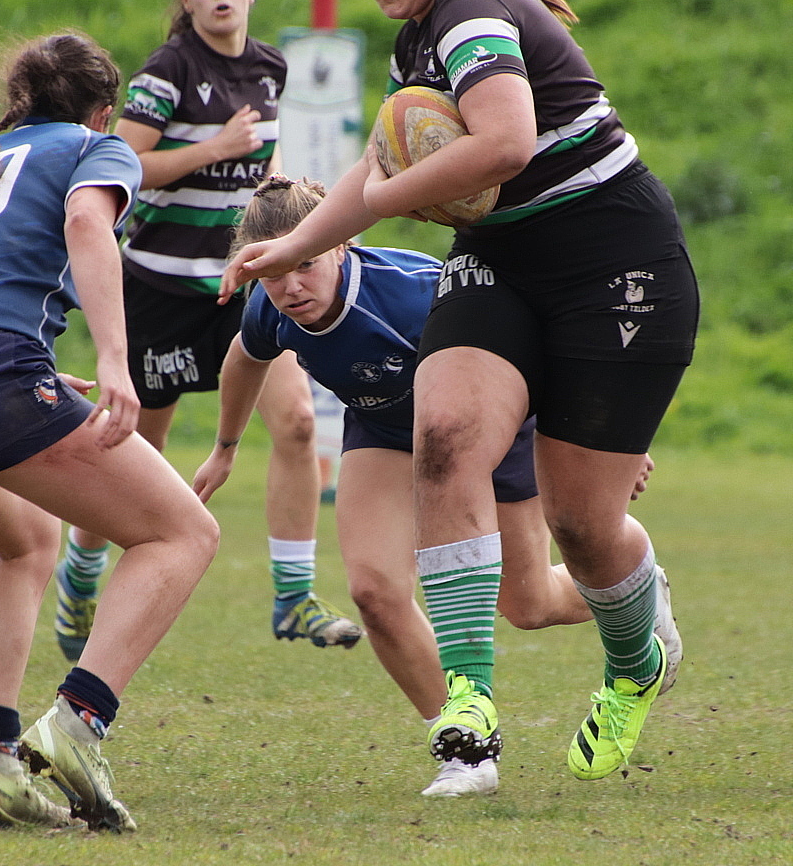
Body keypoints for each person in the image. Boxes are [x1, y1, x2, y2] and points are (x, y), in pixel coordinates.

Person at [220, 0, 699, 796]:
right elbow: (372, 165)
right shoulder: (416, 40)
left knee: (583, 526)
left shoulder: (474, 14)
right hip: (502, 259)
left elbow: (507, 143)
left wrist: (390, 203)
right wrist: (296, 248)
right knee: (442, 437)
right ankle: (469, 715)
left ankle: (638, 658)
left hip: (614, 260)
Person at [199, 175, 679, 796]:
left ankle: (635, 585)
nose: (290, 286)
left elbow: (540, 340)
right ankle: (467, 751)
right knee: (373, 592)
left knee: (527, 605)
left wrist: (604, 439)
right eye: (273, 272)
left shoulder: (413, 291)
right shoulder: (271, 305)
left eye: (306, 264)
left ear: (341, 243)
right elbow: (245, 356)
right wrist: (225, 448)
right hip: (384, 426)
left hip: (493, 429)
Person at [0, 31, 219, 830]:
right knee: (182, 533)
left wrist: (25, 365)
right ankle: (80, 725)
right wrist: (116, 363)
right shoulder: (97, 147)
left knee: (26, 543)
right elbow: (90, 226)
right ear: (102, 111)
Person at [53, 0, 360, 662]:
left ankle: (293, 597)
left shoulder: (270, 68)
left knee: (293, 426)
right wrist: (215, 149)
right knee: (131, 455)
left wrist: (277, 201)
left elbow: (266, 156)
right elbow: (119, 162)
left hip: (238, 289)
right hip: (159, 292)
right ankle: (80, 571)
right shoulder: (169, 70)